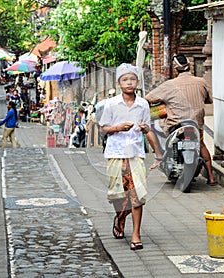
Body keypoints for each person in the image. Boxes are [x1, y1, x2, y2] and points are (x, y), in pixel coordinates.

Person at [99, 63, 150, 251]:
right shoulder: (111, 104)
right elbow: (103, 128)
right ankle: (120, 218)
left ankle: (136, 234)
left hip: (135, 155)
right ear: (119, 83)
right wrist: (117, 128)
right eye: (125, 79)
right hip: (115, 154)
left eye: (132, 79)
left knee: (137, 195)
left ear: (137, 82)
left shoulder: (143, 104)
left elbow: (148, 127)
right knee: (118, 196)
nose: (129, 83)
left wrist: (146, 129)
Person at [145, 54, 216, 185]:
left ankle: (161, 156)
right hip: (196, 124)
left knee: (156, 131)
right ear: (189, 67)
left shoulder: (169, 85)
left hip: (176, 125)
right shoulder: (201, 82)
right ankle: (211, 177)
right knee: (201, 145)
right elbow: (209, 99)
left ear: (175, 69)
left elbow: (147, 99)